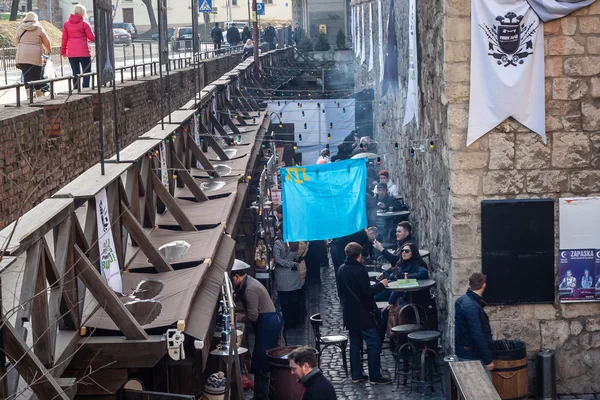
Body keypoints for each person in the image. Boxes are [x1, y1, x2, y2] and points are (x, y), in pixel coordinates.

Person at [337, 242, 392, 384]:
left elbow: (341, 292)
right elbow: (367, 292)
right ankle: (375, 376)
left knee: (355, 344)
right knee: (374, 342)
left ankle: (356, 375)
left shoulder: (341, 269)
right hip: (361, 313)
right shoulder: (359, 270)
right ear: (359, 254)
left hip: (348, 312)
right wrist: (382, 285)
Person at [232, 267, 282, 400]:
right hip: (266, 323)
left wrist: (237, 317)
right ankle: (259, 396)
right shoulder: (247, 284)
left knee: (262, 362)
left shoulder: (250, 289)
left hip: (268, 324)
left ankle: (262, 396)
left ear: (237, 276)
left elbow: (253, 316)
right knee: (261, 362)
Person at [382, 242, 430, 340]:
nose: (403, 253)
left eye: (406, 251)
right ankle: (384, 338)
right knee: (385, 310)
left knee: (401, 311)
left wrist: (406, 277)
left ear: (413, 253)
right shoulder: (400, 264)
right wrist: (391, 302)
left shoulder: (417, 264)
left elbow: (423, 274)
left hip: (416, 298)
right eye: (402, 251)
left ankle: (401, 339)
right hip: (404, 296)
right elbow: (397, 282)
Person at [455, 272, 494, 372]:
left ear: (469, 283)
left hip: (464, 351)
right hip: (471, 355)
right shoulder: (472, 307)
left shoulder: (461, 300)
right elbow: (477, 335)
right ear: (484, 285)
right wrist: (488, 360)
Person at [273, 226, 305, 328]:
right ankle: (295, 320)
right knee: (294, 298)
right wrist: (293, 263)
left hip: (283, 274)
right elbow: (299, 255)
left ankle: (288, 320)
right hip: (294, 272)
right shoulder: (295, 242)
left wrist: (289, 264)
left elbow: (277, 259)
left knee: (285, 300)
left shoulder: (278, 243)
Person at [15, 12, 51, 98]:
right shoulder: (39, 28)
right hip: (35, 55)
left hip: (23, 54)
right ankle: (38, 93)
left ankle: (29, 94)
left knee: (26, 74)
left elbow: (17, 42)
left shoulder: (20, 28)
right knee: (36, 75)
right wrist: (49, 51)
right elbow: (47, 42)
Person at [61, 4, 95, 89]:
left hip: (72, 52)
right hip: (84, 51)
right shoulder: (85, 24)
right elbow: (92, 38)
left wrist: (63, 52)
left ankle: (76, 89)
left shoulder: (66, 24)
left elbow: (64, 39)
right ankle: (86, 89)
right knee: (86, 72)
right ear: (83, 13)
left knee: (75, 72)